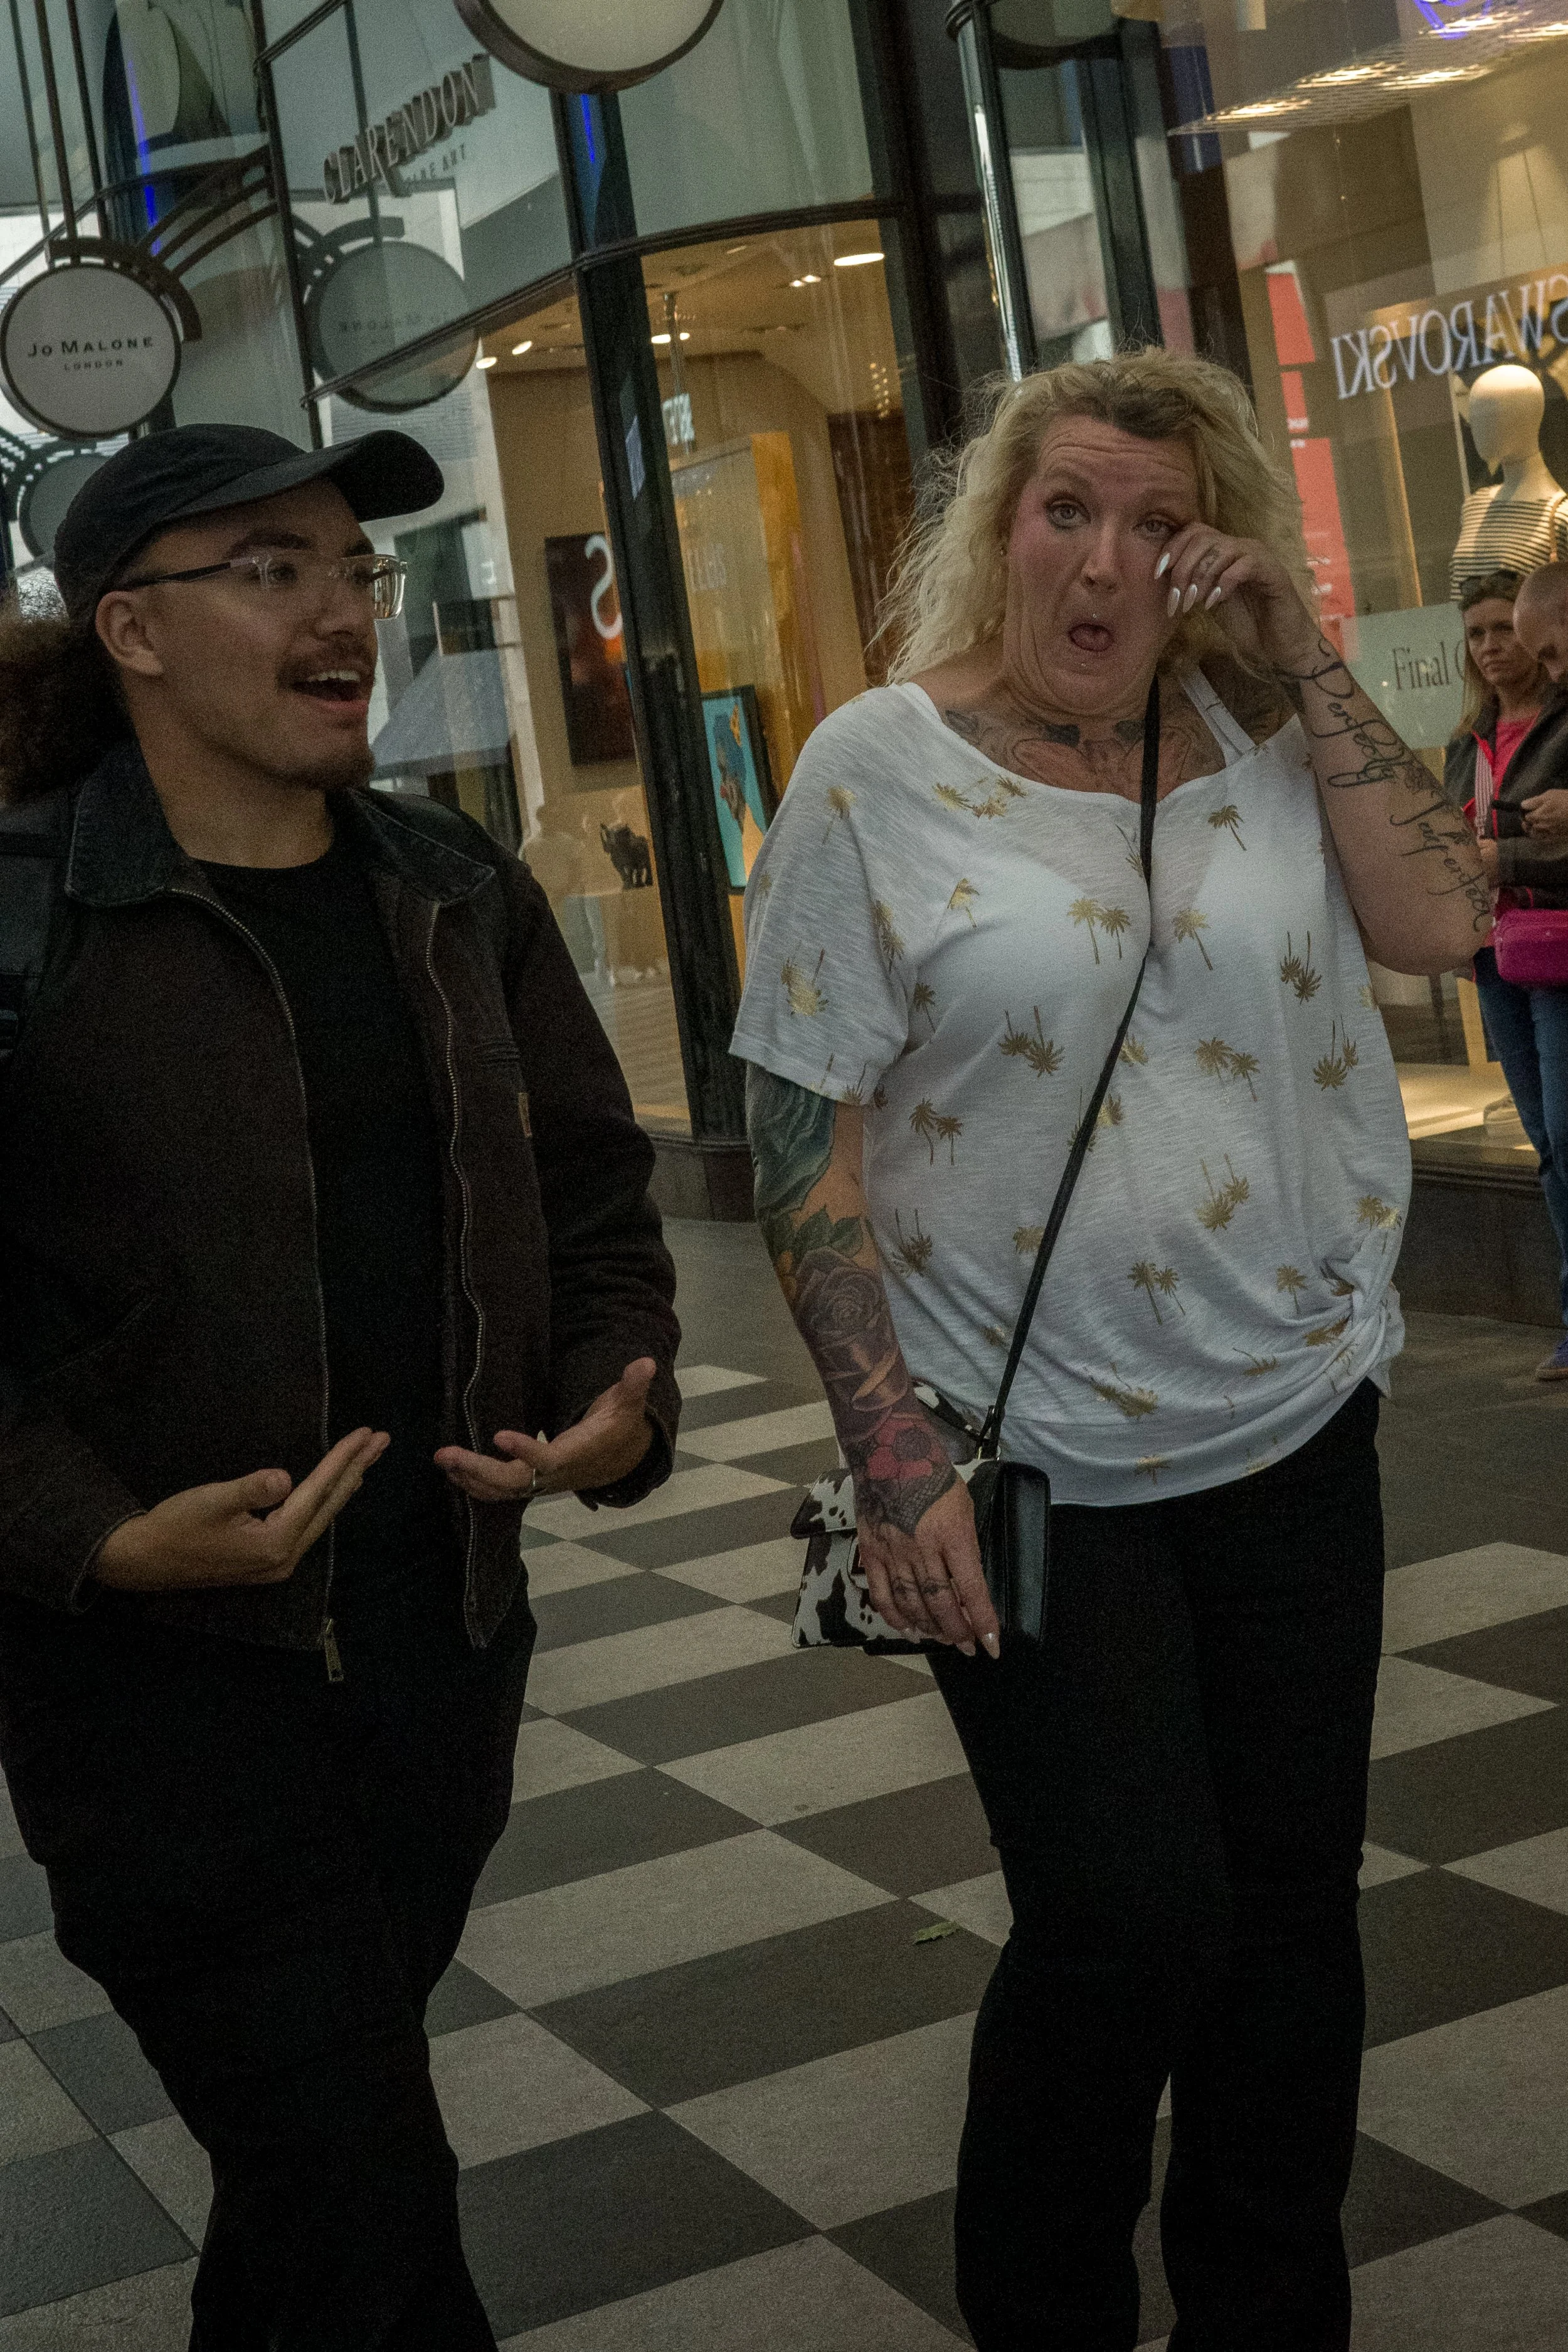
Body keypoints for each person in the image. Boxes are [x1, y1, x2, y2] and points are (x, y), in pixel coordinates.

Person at [732, 349, 1489, 2352]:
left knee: (1289, 1924)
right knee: (1125, 1919)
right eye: (1066, 507)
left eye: (1159, 521)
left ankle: (1268, 2313)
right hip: (1033, 1457)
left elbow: (1440, 915)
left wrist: (1299, 649)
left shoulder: (1259, 734)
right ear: (1000, 525)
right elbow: (801, 1128)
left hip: (1292, 1412)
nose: (1105, 558)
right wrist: (889, 1452)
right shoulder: (876, 769)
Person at [0, 425, 679, 2348]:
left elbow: (592, 1185)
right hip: (155, 1703)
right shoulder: (36, 911)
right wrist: (102, 1534)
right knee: (364, 2186)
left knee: (314, 2186)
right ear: (129, 628)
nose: (343, 611)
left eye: (355, 573)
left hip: (438, 1654)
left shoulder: (453, 883)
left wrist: (613, 1387)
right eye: (273, 567)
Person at [1454, 561, 1568, 1378]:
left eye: (1505, 630)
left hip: (1556, 944)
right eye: (1477, 634)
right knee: (1546, 1143)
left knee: (1567, 1135)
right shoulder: (1468, 741)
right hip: (1498, 952)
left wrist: (1510, 855)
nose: (1494, 648)